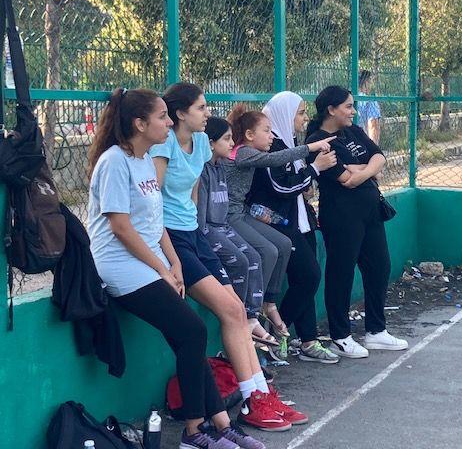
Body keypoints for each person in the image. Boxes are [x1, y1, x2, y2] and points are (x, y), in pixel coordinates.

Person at [87, 88, 264, 449]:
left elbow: (156, 222)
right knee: (193, 331)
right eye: (162, 116)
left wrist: (176, 263)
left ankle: (219, 422)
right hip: (120, 267)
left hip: (150, 262)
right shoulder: (114, 162)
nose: (169, 122)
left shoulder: (142, 159)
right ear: (140, 123)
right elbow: (121, 228)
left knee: (188, 336)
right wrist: (163, 269)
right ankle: (193, 432)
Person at [150, 82, 307, 432]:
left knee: (237, 310)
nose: (208, 113)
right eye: (201, 108)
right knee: (228, 310)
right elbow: (153, 201)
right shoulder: (164, 145)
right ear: (180, 114)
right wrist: (167, 257)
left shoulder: (203, 144)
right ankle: (254, 400)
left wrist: (195, 229)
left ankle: (260, 395)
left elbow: (192, 193)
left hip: (193, 234)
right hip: (171, 239)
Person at [305, 85, 408, 359]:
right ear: (331, 109)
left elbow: (379, 157)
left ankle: (376, 331)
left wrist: (359, 172)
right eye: (348, 106)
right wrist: (366, 172)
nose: (353, 111)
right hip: (341, 217)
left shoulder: (354, 131)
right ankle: (340, 336)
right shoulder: (317, 141)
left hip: (370, 211)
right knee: (342, 273)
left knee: (379, 266)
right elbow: (342, 179)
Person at [223, 104, 335, 342]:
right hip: (230, 216)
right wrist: (311, 150)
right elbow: (277, 160)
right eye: (266, 131)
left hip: (243, 212)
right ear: (250, 135)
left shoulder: (251, 152)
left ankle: (269, 302)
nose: (272, 136)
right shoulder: (244, 152)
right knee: (264, 252)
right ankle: (251, 310)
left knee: (282, 246)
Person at [248, 91, 340, 364]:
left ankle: (308, 340)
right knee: (309, 276)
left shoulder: (290, 142)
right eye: (300, 112)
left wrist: (308, 176)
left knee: (307, 279)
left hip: (301, 220)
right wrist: (314, 169)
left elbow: (297, 184)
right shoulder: (270, 145)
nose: (305, 118)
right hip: (280, 224)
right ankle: (276, 332)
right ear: (285, 115)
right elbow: (281, 186)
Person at [197, 117, 276, 347]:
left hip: (223, 227)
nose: (232, 143)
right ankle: (238, 318)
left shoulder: (221, 167)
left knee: (253, 257)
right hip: (209, 229)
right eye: (227, 138)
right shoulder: (202, 171)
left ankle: (251, 316)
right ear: (210, 143)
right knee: (240, 261)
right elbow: (202, 215)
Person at [357, 70, 382, 144]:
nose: (370, 85)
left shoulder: (347, 99)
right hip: (365, 144)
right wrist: (374, 149)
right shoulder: (370, 101)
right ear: (366, 82)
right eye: (370, 82)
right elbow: (373, 126)